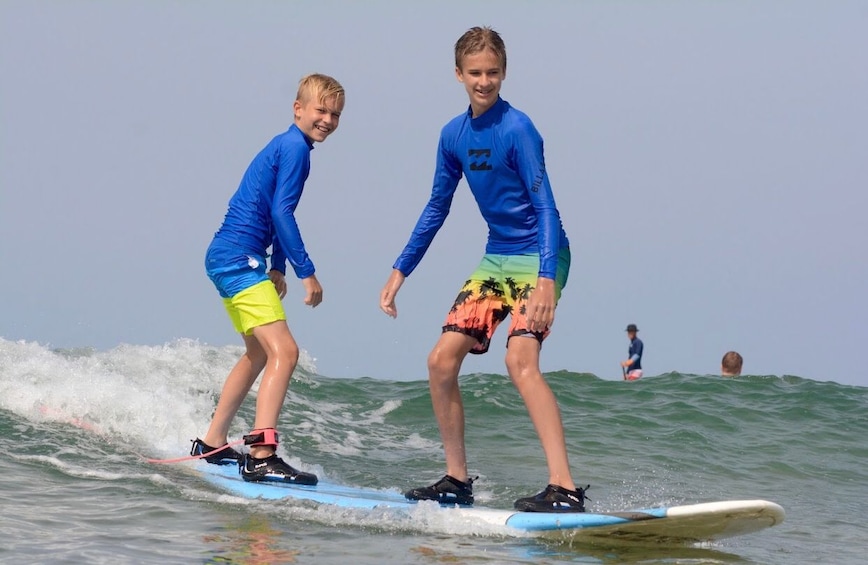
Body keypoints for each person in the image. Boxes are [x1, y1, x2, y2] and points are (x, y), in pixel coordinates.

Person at [379, 27, 587, 513]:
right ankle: (456, 479)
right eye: (475, 73)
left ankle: (565, 488)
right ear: (458, 74)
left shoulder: (519, 129)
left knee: (519, 362)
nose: (485, 81)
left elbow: (547, 209)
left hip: (541, 257)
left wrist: (546, 282)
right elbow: (436, 207)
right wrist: (400, 270)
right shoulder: (452, 135)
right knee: (440, 361)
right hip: (497, 260)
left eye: (493, 72)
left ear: (504, 72)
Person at [191, 74, 345, 485]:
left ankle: (212, 442)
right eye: (320, 110)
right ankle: (261, 454)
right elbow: (282, 213)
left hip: (229, 257)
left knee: (259, 354)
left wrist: (277, 265)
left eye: (335, 114)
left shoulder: (287, 145)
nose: (327, 120)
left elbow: (274, 208)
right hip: (240, 259)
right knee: (286, 352)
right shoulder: (296, 148)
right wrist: (306, 271)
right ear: (298, 109)